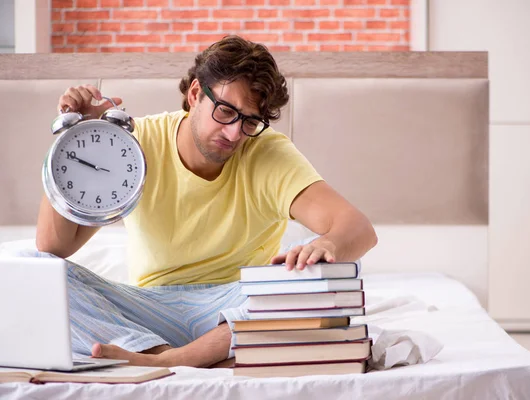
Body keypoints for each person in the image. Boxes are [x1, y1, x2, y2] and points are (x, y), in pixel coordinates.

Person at [35, 35, 377, 368]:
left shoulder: (267, 153)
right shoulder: (135, 144)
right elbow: (54, 246)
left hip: (237, 305)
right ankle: (169, 350)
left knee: (332, 269)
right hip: (150, 310)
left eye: (250, 121)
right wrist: (74, 136)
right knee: (33, 272)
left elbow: (358, 229)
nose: (235, 134)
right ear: (196, 93)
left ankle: (173, 359)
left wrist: (326, 243)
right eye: (226, 111)